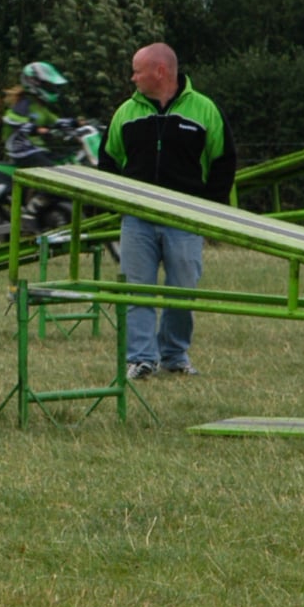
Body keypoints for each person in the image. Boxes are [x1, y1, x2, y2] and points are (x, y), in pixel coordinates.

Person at [103, 42, 237, 381]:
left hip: (185, 219)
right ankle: (141, 359)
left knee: (183, 290)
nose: (132, 77)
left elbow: (224, 162)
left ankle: (174, 356)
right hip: (137, 220)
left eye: (137, 70)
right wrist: (117, 204)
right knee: (137, 290)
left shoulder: (205, 110)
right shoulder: (125, 113)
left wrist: (209, 208)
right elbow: (108, 161)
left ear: (160, 72)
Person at [3, 61, 73, 228]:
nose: (52, 89)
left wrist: (77, 123)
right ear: (34, 83)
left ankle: (47, 209)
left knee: (65, 164)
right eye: (48, 85)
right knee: (53, 177)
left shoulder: (39, 106)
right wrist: (36, 129)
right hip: (21, 149)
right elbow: (12, 120)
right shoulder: (23, 104)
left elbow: (56, 121)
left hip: (36, 149)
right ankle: (31, 210)